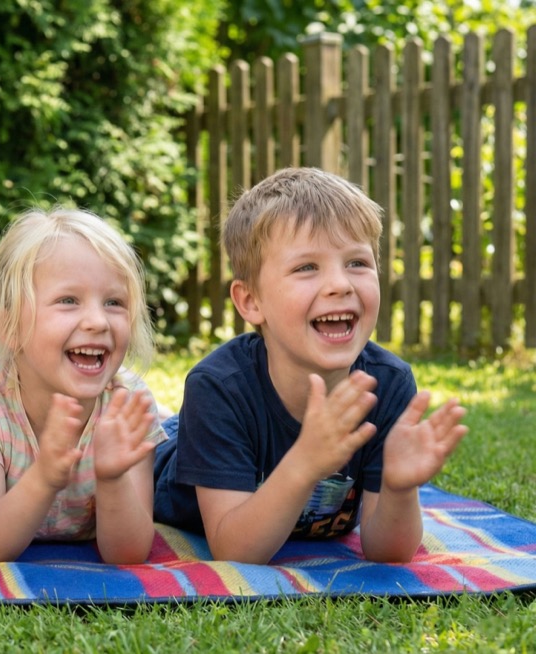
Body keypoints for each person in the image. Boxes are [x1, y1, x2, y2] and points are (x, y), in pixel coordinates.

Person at [153, 167, 469, 564]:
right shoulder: (218, 387)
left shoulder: (387, 384)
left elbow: (387, 552)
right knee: (141, 440)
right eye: (306, 268)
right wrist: (305, 462)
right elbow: (233, 551)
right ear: (251, 301)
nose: (340, 284)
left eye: (357, 262)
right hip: (168, 463)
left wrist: (399, 489)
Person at [0, 208, 167, 564]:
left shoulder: (127, 404)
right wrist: (44, 476)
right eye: (68, 301)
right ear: (8, 327)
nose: (98, 321)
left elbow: (129, 555)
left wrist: (113, 478)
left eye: (114, 303)